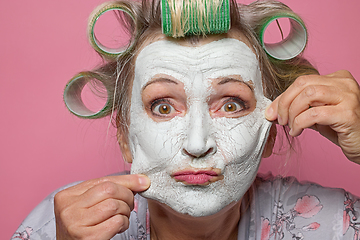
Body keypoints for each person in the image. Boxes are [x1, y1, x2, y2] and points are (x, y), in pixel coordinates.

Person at [13, 0, 360, 239]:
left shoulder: (330, 224)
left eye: (231, 105)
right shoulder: (62, 225)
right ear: (124, 133)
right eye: (163, 107)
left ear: (269, 133)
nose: (197, 144)